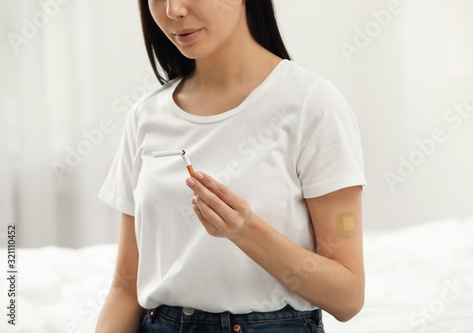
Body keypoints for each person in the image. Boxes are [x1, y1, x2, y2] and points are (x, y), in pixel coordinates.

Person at [95, 0, 367, 332]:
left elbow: (348, 297)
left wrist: (246, 231)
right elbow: (125, 289)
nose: (173, 11)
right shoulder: (146, 117)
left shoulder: (312, 104)